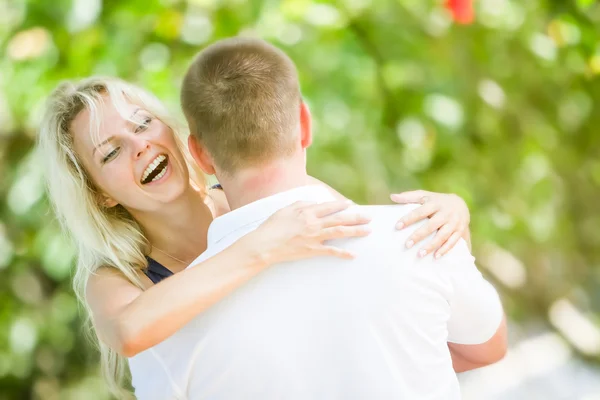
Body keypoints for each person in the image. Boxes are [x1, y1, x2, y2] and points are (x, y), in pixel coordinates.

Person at [38, 75, 472, 398]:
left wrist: (450, 216)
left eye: (143, 123)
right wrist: (262, 245)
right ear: (100, 193)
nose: (139, 146)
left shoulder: (260, 192)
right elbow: (130, 329)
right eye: (110, 151)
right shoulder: (117, 278)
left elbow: (381, 267)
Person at [123, 37, 507, 399]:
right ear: (305, 123)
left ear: (199, 155)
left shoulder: (163, 332)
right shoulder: (422, 235)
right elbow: (487, 347)